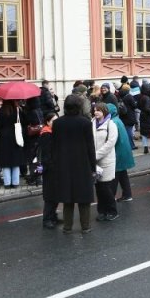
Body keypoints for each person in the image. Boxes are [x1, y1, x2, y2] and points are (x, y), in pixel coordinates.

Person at [50, 95, 97, 233]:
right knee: (84, 199)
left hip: (63, 164)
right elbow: (90, 147)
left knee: (67, 198)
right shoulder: (85, 122)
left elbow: (54, 145)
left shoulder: (58, 123)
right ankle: (85, 226)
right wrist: (93, 166)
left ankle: (67, 226)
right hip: (82, 164)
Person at [92, 103, 119, 221]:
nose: (96, 112)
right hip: (95, 161)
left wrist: (96, 155)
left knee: (106, 188)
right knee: (98, 188)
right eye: (94, 110)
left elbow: (110, 143)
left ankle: (112, 210)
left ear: (104, 111)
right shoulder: (91, 123)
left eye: (98, 110)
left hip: (106, 161)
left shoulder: (111, 124)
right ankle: (101, 211)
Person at [108, 103, 135, 203]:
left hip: (118, 152)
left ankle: (111, 197)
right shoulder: (117, 120)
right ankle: (127, 195)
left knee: (114, 175)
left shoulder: (112, 122)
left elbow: (112, 140)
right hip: (123, 151)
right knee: (123, 174)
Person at [0, 99, 25, 189]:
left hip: (4, 138)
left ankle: (7, 183)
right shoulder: (17, 110)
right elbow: (23, 122)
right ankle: (15, 182)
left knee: (6, 160)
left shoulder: (0, 111)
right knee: (15, 160)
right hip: (16, 137)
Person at [138, 84, 150, 154]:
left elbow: (137, 106)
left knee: (144, 133)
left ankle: (145, 147)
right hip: (148, 117)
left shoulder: (140, 96)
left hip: (142, 116)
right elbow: (147, 108)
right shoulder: (147, 98)